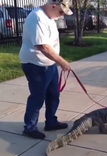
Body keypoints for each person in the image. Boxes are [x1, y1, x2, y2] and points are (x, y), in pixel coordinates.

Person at [19, 0, 73, 139]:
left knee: (53, 95)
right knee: (38, 97)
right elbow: (42, 46)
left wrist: (56, 62)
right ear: (53, 6)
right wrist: (62, 62)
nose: (62, 16)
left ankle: (51, 122)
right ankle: (30, 128)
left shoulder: (49, 17)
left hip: (49, 64)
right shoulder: (38, 17)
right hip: (36, 65)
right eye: (61, 12)